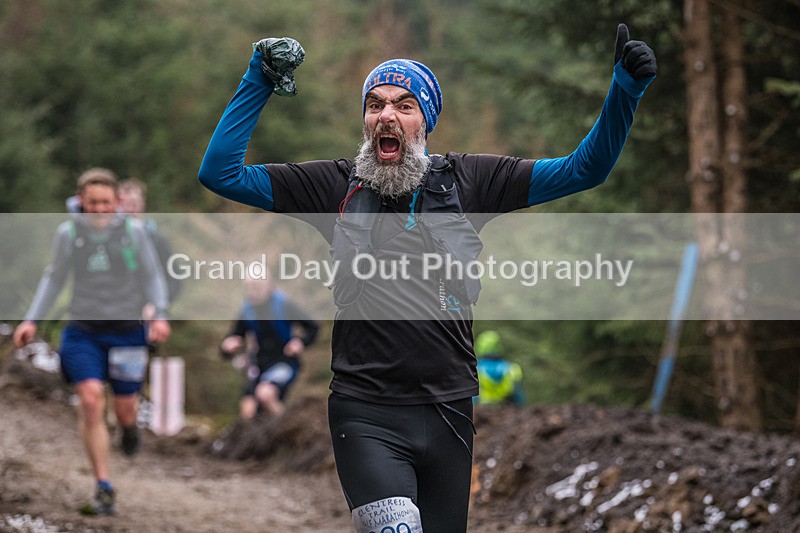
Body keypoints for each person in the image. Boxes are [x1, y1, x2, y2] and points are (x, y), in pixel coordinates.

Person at [198, 25, 655, 532]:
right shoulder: (333, 186)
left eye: (403, 105)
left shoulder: (471, 181)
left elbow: (583, 171)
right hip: (364, 412)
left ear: (425, 121)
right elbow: (220, 174)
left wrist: (625, 91)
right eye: (374, 105)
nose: (385, 115)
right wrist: (258, 80)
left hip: (449, 413)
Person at [13, 167, 171, 516]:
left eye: (105, 202)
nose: (99, 209)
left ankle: (129, 430)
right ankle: (103, 485)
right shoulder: (68, 234)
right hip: (83, 331)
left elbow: (153, 275)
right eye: (92, 202)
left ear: (116, 202)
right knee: (90, 399)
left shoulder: (135, 232)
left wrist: (159, 313)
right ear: (80, 201)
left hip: (128, 332)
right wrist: (32, 320)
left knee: (125, 409)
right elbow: (53, 279)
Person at [219, 275, 319, 419]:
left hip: (284, 361)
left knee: (265, 394)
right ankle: (255, 440)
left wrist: (300, 341)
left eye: (258, 287)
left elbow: (312, 327)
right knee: (248, 409)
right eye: (251, 288)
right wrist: (227, 347)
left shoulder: (283, 304)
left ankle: (287, 427)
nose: (254, 291)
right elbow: (233, 337)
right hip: (259, 364)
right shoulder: (247, 310)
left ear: (268, 284)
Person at [473, 330, 524, 406]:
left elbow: (473, 398)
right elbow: (518, 397)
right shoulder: (512, 368)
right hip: (507, 411)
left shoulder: (475, 369)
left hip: (483, 412)